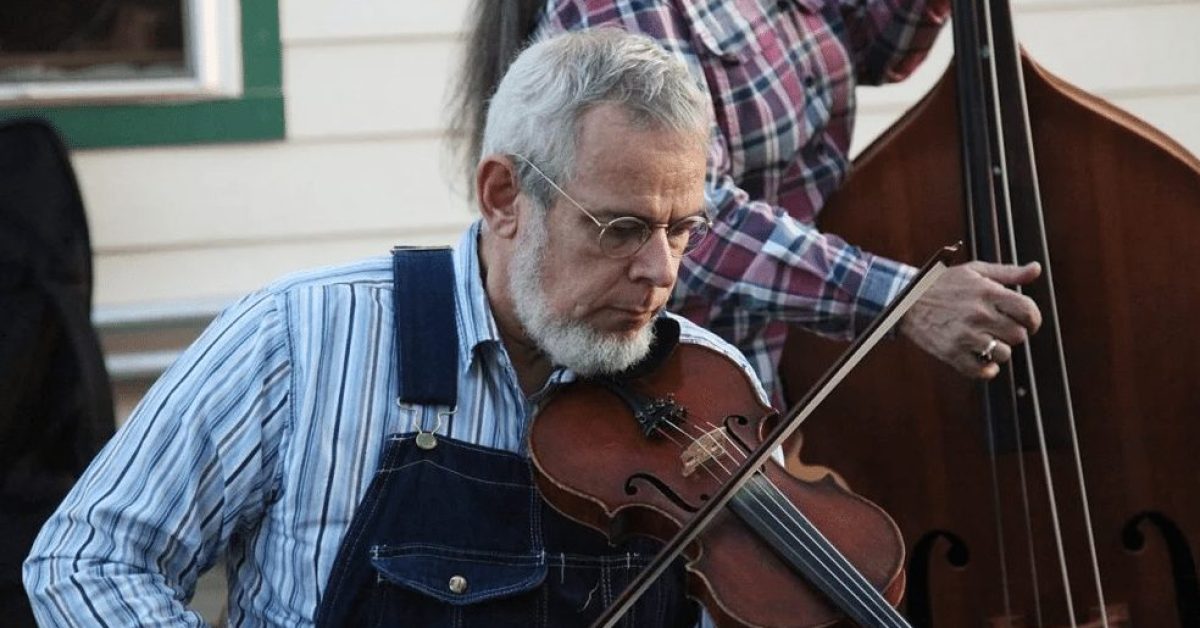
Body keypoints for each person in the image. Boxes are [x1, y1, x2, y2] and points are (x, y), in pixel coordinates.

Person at [25, 30, 773, 626]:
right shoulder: (298, 337)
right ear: (504, 195)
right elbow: (89, 560)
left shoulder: (707, 388)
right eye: (620, 227)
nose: (662, 270)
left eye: (681, 229)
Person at [452, 0, 1044, 404]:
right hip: (661, 397)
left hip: (766, 377)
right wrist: (901, 300)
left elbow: (874, 48)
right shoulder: (628, 7)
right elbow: (694, 220)